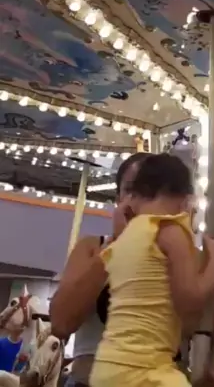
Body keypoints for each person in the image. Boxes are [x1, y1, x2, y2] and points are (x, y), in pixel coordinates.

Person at [90, 153, 214, 387]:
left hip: (107, 365)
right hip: (144, 370)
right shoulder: (169, 230)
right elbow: (189, 300)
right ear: (185, 199)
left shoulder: (126, 237)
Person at [50, 152, 149, 386]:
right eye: (132, 190)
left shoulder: (178, 256)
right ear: (119, 198)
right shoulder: (92, 248)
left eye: (151, 190)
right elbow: (61, 324)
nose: (140, 200)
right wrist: (116, 246)